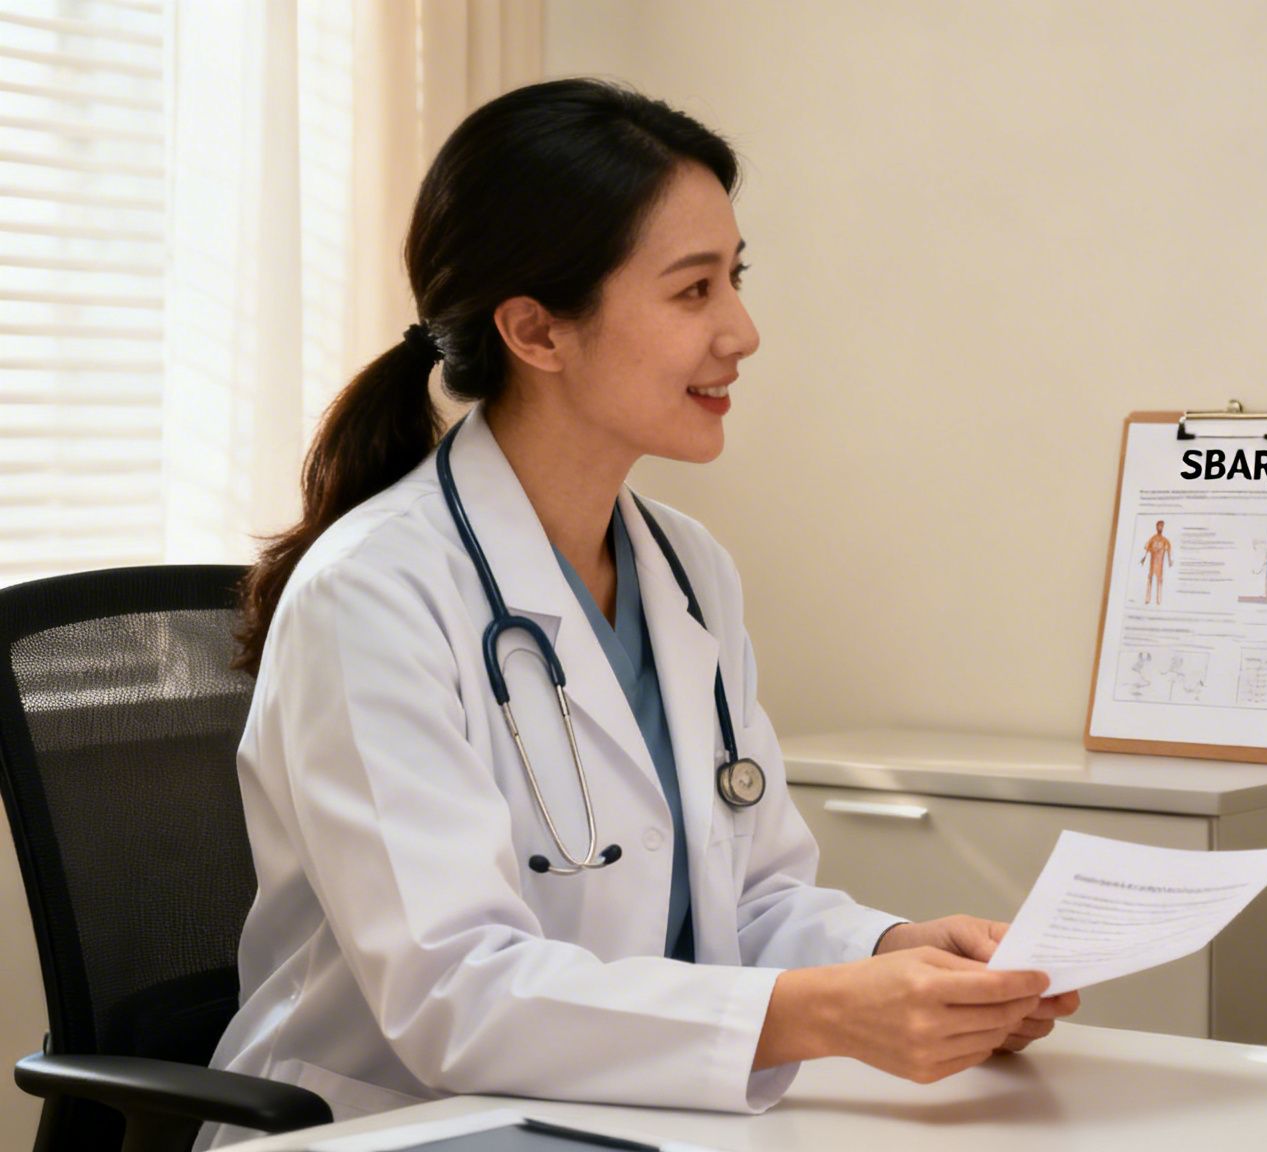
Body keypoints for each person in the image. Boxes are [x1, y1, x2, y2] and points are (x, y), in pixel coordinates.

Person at [207, 78, 1074, 1145]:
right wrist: (820, 1014)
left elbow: (746, 902)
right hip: (399, 1125)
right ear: (535, 330)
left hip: (625, 1117)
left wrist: (894, 952)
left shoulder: (685, 568)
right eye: (692, 290)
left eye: (735, 278)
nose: (742, 330)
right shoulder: (373, 596)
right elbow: (455, 995)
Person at [1141, 519, 1173, 603]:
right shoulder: (1153, 538)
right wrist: (1145, 557)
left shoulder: (1165, 540)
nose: (1160, 527)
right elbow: (1147, 548)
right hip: (1152, 563)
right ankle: (1147, 599)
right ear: (1156, 527)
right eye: (1159, 526)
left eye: (1162, 526)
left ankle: (1159, 600)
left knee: (1159, 580)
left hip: (1160, 564)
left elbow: (1168, 549)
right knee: (1150, 578)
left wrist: (1169, 560)